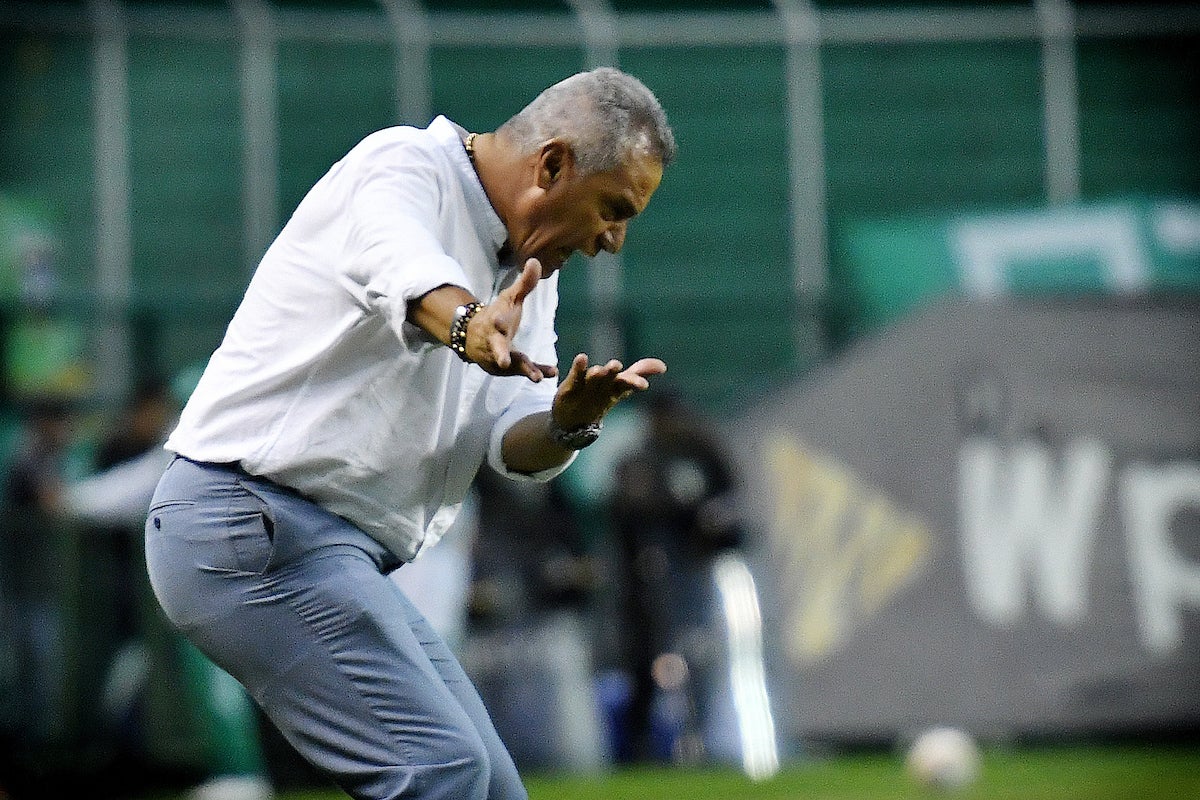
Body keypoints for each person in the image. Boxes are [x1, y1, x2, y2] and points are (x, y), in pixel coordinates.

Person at [144, 66, 675, 800]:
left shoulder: (532, 273)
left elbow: (508, 440)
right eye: (614, 208)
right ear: (552, 164)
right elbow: (401, 266)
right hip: (245, 527)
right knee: (440, 773)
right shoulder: (404, 165)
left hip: (323, 548)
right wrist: (466, 322)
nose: (613, 241)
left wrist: (566, 423)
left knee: (487, 786)